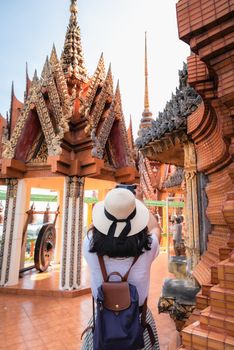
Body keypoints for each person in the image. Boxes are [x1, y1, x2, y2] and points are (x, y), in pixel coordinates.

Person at [82, 188, 160, 350]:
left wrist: (110, 207)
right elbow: (156, 228)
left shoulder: (89, 243)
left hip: (103, 322)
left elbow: (93, 227)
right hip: (139, 322)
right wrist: (139, 202)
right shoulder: (148, 245)